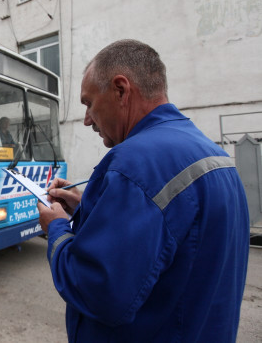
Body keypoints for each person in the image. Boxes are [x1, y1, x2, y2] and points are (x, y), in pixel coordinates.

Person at [37, 39, 249, 342]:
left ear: (121, 90)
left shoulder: (133, 164)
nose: (86, 120)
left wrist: (57, 226)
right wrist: (89, 207)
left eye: (88, 103)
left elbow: (96, 290)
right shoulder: (213, 155)